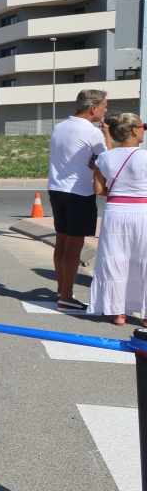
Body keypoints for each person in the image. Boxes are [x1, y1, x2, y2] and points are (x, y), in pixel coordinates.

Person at [48, 89, 109, 312]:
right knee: (75, 245)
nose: (106, 111)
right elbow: (108, 160)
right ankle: (66, 297)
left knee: (61, 241)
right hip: (79, 192)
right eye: (104, 106)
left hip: (56, 189)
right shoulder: (93, 132)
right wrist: (107, 136)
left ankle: (61, 288)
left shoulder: (59, 127)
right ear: (93, 108)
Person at [90, 112, 147, 326]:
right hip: (143, 211)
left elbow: (98, 189)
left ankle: (118, 312)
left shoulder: (104, 158)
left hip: (115, 211)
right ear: (134, 130)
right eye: (143, 126)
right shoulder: (145, 156)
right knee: (144, 260)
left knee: (115, 259)